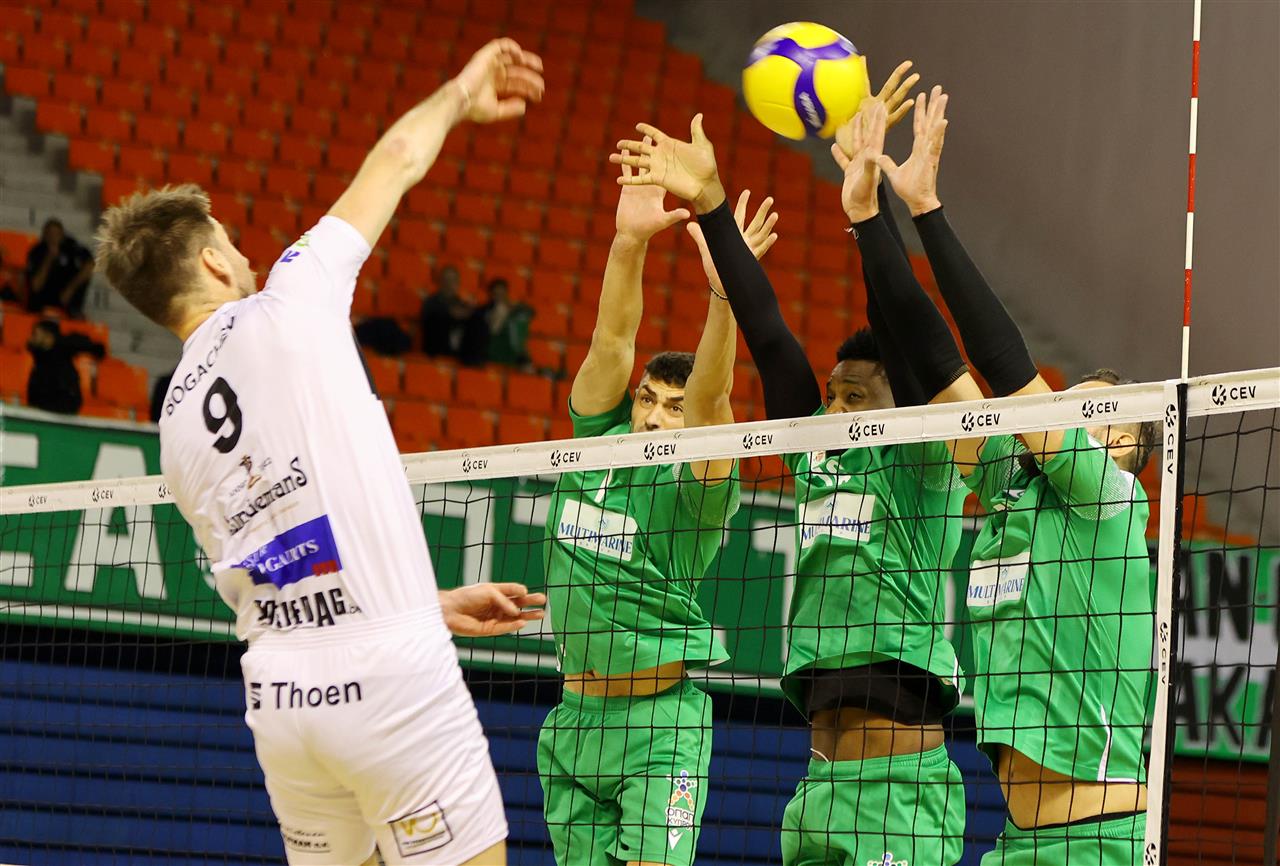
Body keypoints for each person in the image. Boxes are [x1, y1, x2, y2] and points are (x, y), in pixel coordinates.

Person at [93, 39, 546, 866]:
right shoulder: (291, 298)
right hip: (391, 683)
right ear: (213, 260)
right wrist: (459, 91)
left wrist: (422, 599)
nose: (245, 254)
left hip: (282, 700)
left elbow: (282, 554)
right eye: (233, 242)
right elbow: (397, 156)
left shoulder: (173, 425)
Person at [611, 64, 971, 866]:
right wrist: (710, 202)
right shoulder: (813, 450)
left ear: (896, 403)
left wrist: (868, 212)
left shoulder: (917, 458)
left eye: (854, 397)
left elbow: (901, 319)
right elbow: (769, 331)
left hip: (899, 798)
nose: (833, 408)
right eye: (832, 394)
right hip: (816, 789)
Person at [848, 88, 1157, 864]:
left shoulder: (1109, 497)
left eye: (1092, 409)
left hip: (1096, 843)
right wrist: (869, 215)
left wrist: (930, 212)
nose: (1067, 409)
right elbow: (928, 364)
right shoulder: (1012, 485)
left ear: (1124, 442)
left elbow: (1000, 359)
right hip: (1018, 841)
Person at [536, 145, 777, 866]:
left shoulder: (697, 489)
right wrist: (628, 242)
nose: (653, 417)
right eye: (648, 400)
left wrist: (724, 298)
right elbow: (611, 341)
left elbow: (712, 400)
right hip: (573, 717)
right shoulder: (595, 444)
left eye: (671, 408)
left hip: (658, 725)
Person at [26, 318, 105, 414]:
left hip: (61, 405)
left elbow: (83, 344)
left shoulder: (62, 355)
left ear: (49, 337)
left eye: (35, 334)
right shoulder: (39, 358)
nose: (31, 338)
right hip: (41, 407)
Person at [26, 219, 94, 317]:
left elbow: (90, 264)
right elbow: (36, 286)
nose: (53, 238)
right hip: (42, 300)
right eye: (50, 234)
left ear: (62, 235)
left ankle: (74, 311)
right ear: (44, 235)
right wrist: (49, 258)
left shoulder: (72, 247)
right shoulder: (36, 251)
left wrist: (70, 289)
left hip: (66, 297)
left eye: (56, 234)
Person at [459, 277, 534, 367]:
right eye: (496, 294)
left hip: (511, 356)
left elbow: (530, 312)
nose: (498, 298)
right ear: (490, 295)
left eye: (502, 294)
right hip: (491, 354)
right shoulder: (482, 312)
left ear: (506, 294)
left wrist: (514, 307)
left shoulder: (516, 311)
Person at [420, 264, 471, 357]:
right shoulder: (431, 302)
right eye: (446, 279)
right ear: (440, 282)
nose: (449, 283)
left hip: (458, 349)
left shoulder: (462, 304)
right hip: (437, 348)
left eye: (453, 280)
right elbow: (427, 323)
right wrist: (449, 313)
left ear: (458, 282)